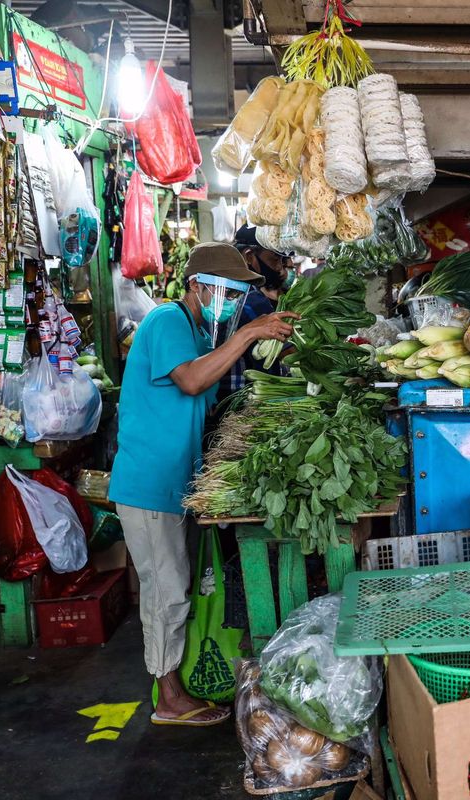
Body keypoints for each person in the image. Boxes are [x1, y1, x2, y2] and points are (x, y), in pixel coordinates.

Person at [108, 242, 298, 727]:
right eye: (229, 293)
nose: (234, 304)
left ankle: (174, 683)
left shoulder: (196, 333)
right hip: (150, 484)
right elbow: (192, 383)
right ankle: (167, 700)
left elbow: (205, 398)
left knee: (178, 587)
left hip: (177, 484)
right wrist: (250, 332)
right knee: (165, 590)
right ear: (198, 286)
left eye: (239, 297)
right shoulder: (168, 321)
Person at [217, 226, 295, 403]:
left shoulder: (225, 292)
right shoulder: (251, 299)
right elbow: (288, 353)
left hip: (220, 397)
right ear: (249, 256)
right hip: (242, 399)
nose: (280, 267)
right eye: (276, 258)